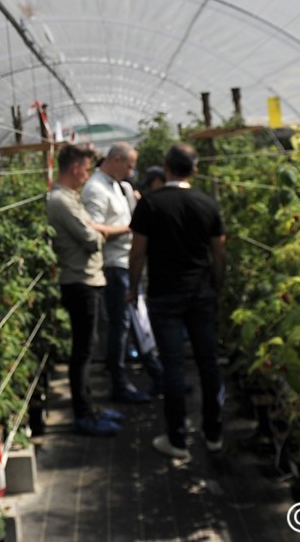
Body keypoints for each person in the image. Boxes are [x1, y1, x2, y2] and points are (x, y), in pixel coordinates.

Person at [127, 143, 227, 460]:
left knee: (172, 365)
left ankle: (178, 440)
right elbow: (219, 253)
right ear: (194, 170)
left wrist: (133, 287)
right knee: (207, 362)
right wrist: (217, 287)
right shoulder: (207, 203)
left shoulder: (150, 204)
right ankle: (213, 434)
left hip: (164, 293)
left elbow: (137, 252)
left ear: (166, 166)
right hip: (200, 292)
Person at [46, 143, 122, 436]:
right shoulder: (60, 201)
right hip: (80, 283)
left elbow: (91, 230)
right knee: (83, 350)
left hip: (87, 281)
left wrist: (95, 228)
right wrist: (99, 231)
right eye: (87, 169)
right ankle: (84, 414)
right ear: (76, 168)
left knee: (87, 348)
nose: (87, 175)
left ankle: (89, 408)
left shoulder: (69, 197)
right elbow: (91, 240)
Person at [81, 143, 162, 403]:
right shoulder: (95, 188)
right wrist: (131, 228)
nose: (131, 171)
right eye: (129, 165)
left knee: (135, 321)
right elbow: (92, 231)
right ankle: (120, 384)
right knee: (121, 325)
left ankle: (156, 374)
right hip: (114, 265)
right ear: (116, 159)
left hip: (126, 262)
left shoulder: (116, 185)